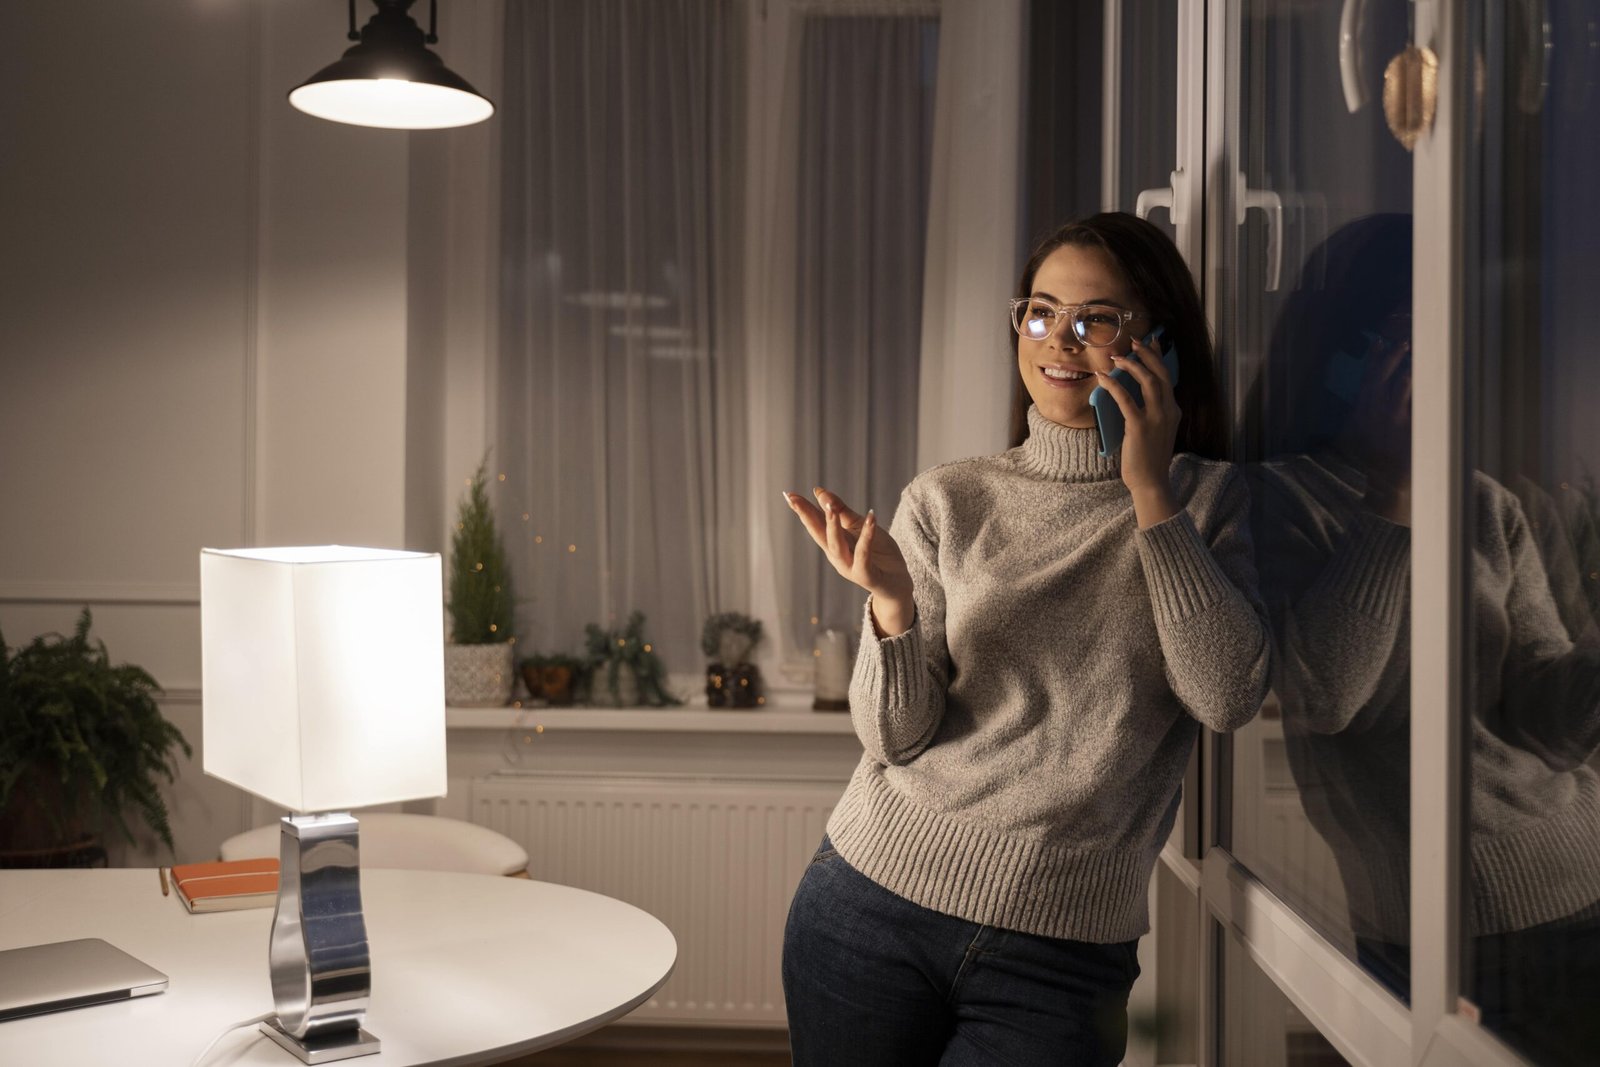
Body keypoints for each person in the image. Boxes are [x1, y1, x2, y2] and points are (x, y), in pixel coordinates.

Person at [779, 212, 1272, 1065]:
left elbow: (1225, 694)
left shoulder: (1214, 505)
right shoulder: (947, 498)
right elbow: (894, 737)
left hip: (1063, 954)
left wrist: (1150, 491)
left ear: (1160, 344)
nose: (1060, 340)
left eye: (1098, 320)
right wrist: (892, 607)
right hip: (868, 902)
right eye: (1041, 312)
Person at [1246, 213, 1600, 1065]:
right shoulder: (1279, 505)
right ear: (1351, 351)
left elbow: (1545, 718)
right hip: (1435, 926)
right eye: (1406, 343)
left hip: (1579, 885)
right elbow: (1324, 696)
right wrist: (1396, 485)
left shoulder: (1482, 503)